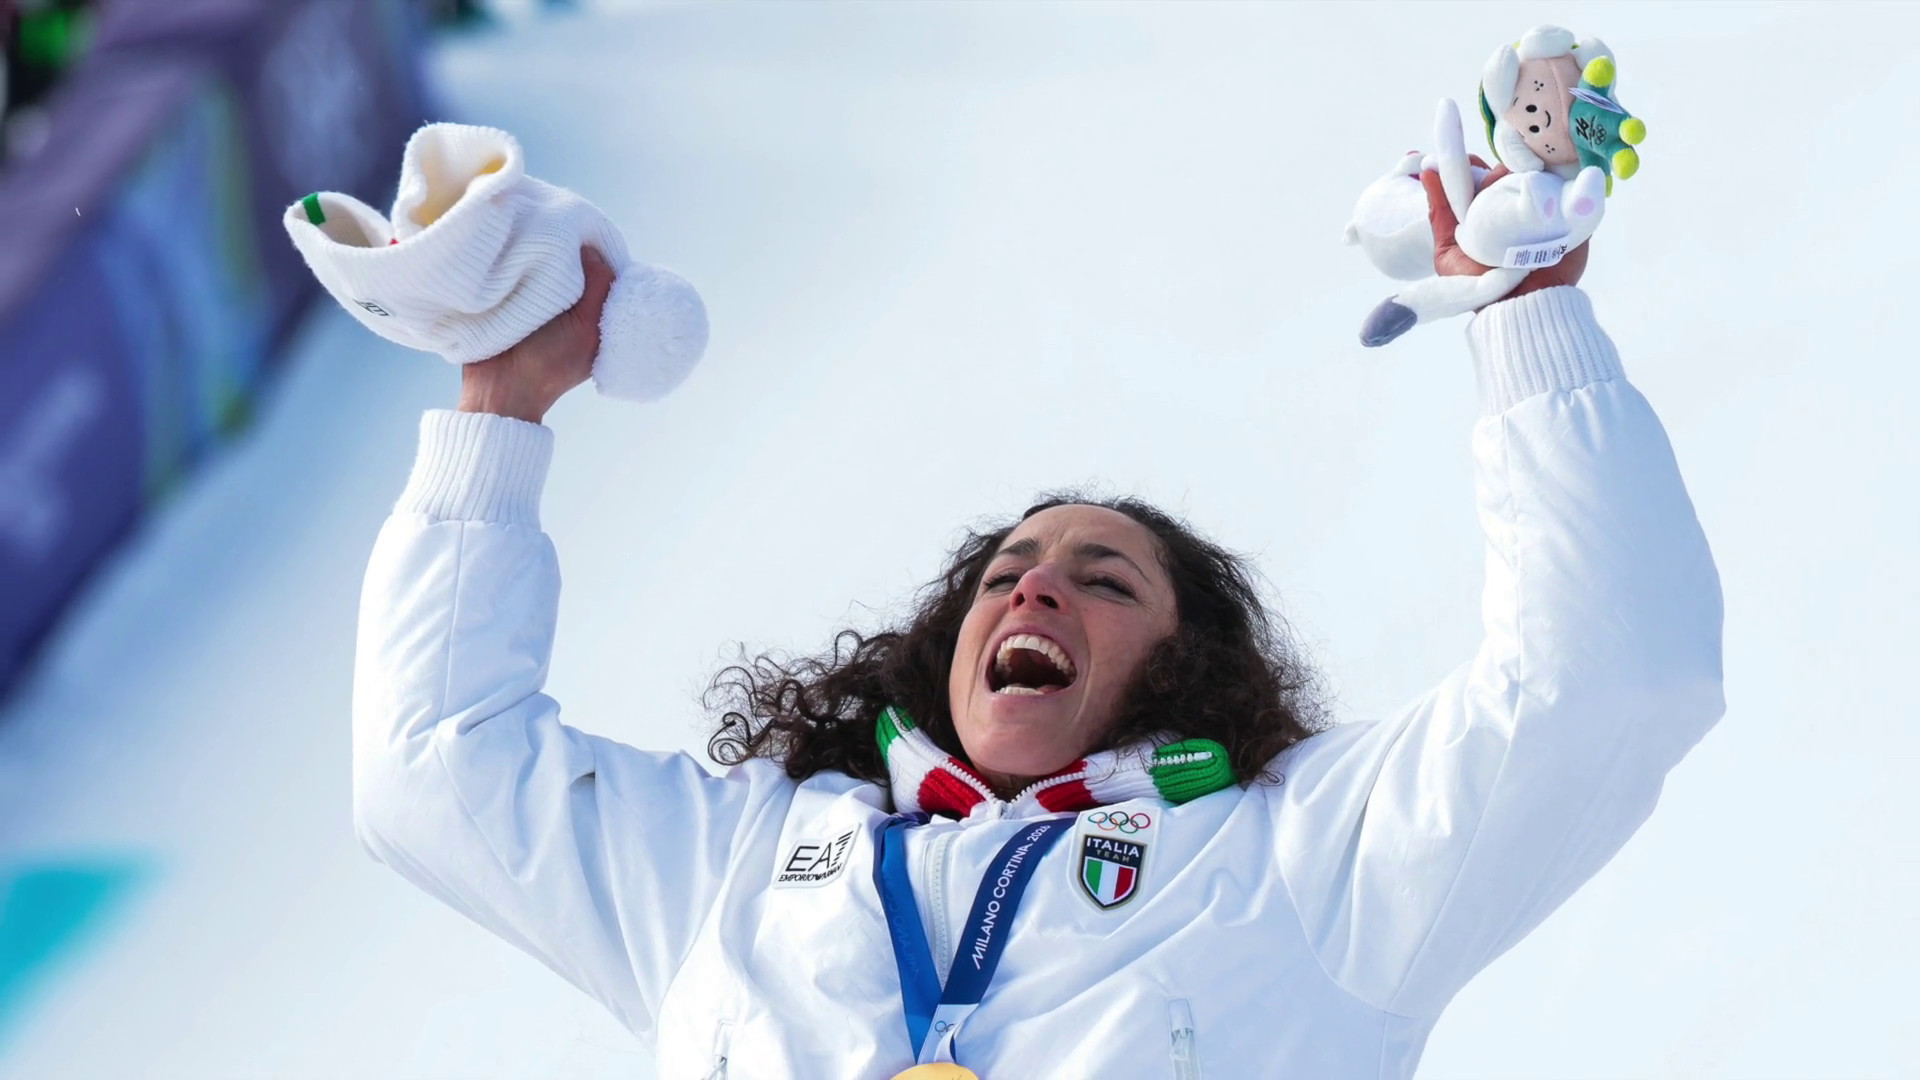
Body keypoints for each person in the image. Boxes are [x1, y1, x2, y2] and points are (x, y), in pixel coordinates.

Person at [350, 163, 1722, 1078]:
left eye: (1105, 580)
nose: (1035, 589)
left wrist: (1527, 324)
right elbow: (434, 768)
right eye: (1005, 572)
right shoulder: (742, 867)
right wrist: (497, 410)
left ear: (1186, 671)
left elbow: (1607, 682)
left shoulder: (1302, 860)